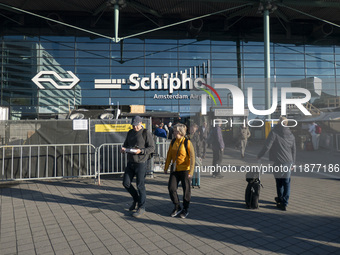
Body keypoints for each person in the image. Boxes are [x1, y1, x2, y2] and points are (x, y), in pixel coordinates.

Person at [257, 116, 296, 211]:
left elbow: (267, 146)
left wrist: (259, 155)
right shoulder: (291, 134)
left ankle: (280, 201)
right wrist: (293, 163)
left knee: (279, 182)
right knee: (286, 182)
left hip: (279, 162)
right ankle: (284, 202)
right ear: (286, 124)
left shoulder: (274, 132)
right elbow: (294, 149)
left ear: (279, 122)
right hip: (289, 162)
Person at [121, 116, 155, 218]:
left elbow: (152, 148)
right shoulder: (130, 132)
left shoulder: (145, 133)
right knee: (126, 183)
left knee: (140, 185)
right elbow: (126, 144)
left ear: (140, 123)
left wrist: (142, 151)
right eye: (133, 125)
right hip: (131, 161)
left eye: (136, 125)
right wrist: (123, 149)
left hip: (141, 162)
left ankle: (141, 207)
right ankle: (136, 198)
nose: (135, 127)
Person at [164, 123, 195, 219]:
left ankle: (185, 209)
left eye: (176, 131)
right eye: (174, 131)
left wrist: (191, 172)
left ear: (181, 132)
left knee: (186, 190)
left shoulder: (187, 142)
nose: (174, 133)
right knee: (171, 188)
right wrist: (166, 167)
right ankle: (177, 206)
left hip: (185, 170)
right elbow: (169, 155)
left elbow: (192, 158)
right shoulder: (173, 142)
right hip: (175, 169)